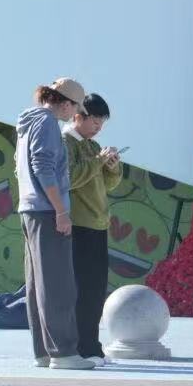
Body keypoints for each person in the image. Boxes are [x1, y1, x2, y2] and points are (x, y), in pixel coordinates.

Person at [15, 77, 95, 371]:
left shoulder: (28, 122)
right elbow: (43, 167)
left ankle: (44, 352)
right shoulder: (48, 123)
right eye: (75, 108)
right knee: (58, 284)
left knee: (37, 285)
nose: (74, 115)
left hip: (29, 209)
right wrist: (61, 210)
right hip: (47, 211)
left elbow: (23, 166)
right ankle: (63, 352)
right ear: (65, 103)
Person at [66, 92, 122, 365]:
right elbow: (70, 178)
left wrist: (112, 167)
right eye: (95, 121)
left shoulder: (92, 145)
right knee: (83, 290)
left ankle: (92, 346)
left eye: (102, 122)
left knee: (97, 289)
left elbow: (106, 184)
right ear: (78, 115)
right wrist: (98, 161)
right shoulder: (67, 142)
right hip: (79, 225)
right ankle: (82, 347)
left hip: (98, 223)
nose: (98, 127)